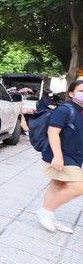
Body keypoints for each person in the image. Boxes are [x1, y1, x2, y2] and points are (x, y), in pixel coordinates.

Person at [37, 79, 83, 233]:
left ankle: (49, 215)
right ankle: (46, 211)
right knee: (79, 187)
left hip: (75, 155)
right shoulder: (64, 109)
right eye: (81, 91)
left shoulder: (81, 111)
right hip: (61, 154)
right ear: (71, 93)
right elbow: (53, 132)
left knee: (57, 184)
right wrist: (57, 156)